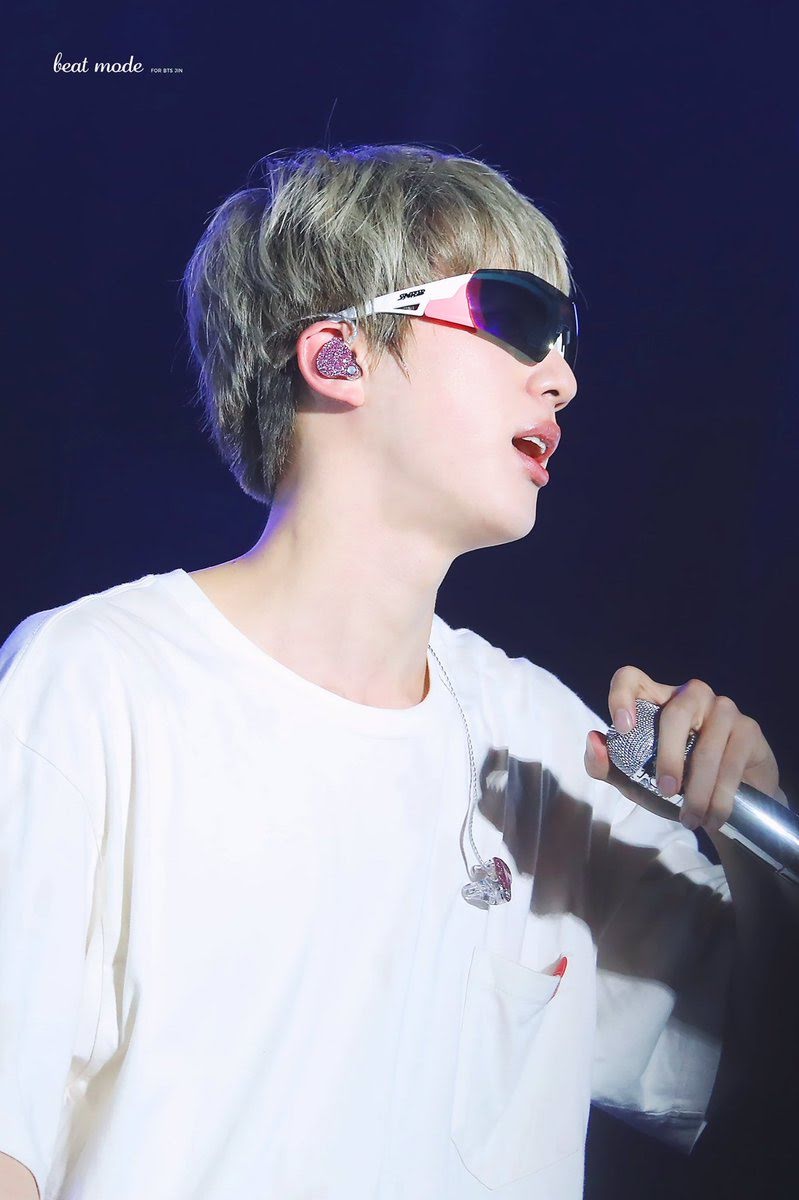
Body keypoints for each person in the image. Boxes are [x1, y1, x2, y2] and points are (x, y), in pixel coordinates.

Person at [0, 143, 787, 1200]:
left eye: (566, 341)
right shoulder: (98, 681)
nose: (561, 378)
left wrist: (757, 842)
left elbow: (755, 1091)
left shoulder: (542, 746)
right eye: (515, 318)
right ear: (337, 356)